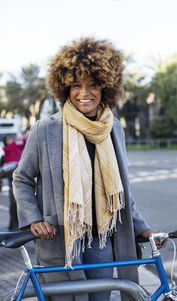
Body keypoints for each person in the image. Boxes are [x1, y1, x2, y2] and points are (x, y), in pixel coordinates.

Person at [13, 37, 166, 301]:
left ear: (106, 87)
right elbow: (22, 178)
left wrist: (143, 228)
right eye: (77, 85)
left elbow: (120, 191)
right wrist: (33, 218)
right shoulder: (46, 129)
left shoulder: (113, 128)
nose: (85, 93)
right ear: (65, 88)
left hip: (101, 238)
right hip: (61, 238)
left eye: (93, 85)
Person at [1, 134, 27, 229]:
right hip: (10, 174)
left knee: (18, 199)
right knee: (13, 200)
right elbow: (8, 148)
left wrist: (23, 138)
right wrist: (15, 141)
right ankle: (13, 225)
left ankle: (19, 223)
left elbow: (25, 143)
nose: (10, 140)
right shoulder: (6, 148)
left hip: (19, 172)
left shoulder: (15, 145)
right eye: (8, 139)